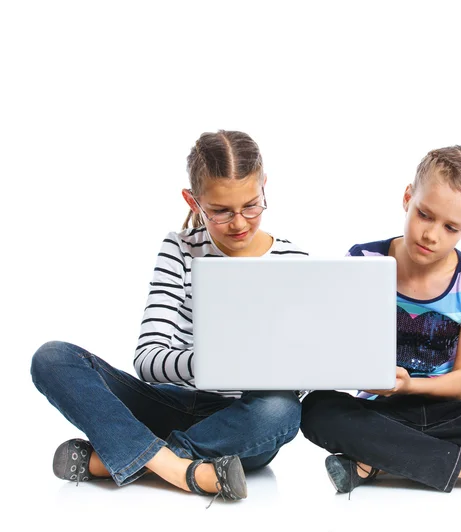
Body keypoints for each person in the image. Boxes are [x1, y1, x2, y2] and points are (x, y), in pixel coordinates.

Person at [31, 130, 308, 505]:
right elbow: (148, 361)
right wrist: (214, 363)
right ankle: (183, 470)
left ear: (264, 188)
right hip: (172, 405)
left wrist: (276, 371)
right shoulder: (179, 249)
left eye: (251, 206)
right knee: (52, 358)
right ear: (193, 201)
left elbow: (304, 376)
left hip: (240, 421)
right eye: (221, 211)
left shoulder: (296, 263)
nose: (239, 223)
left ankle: (126, 457)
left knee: (283, 409)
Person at [300, 146, 461, 505]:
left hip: (455, 407)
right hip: (383, 408)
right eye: (424, 215)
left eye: (451, 227)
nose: (432, 235)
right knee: (316, 408)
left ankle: (375, 460)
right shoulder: (365, 261)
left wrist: (410, 386)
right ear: (407, 197)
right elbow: (344, 351)